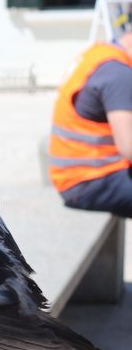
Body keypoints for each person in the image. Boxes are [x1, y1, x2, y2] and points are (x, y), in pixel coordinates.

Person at [48, 29, 132, 218]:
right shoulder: (120, 75)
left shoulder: (99, 54)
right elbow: (129, 146)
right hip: (89, 181)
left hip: (76, 175)